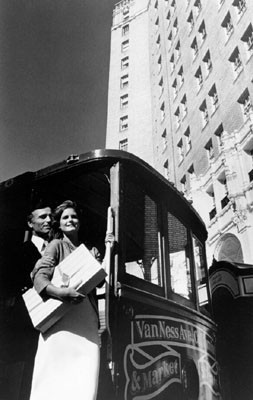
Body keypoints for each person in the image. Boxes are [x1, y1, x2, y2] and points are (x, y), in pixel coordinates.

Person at [29, 200, 112, 400]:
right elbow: (39, 278)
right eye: (65, 217)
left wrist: (108, 250)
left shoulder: (90, 251)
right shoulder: (56, 246)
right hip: (60, 321)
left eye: (73, 216)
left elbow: (101, 283)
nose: (70, 220)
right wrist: (62, 293)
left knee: (84, 378)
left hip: (87, 321)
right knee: (54, 378)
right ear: (59, 224)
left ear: (79, 222)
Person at [4, 202, 52, 400]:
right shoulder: (17, 251)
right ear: (30, 223)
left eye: (50, 216)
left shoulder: (57, 248)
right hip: (26, 326)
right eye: (42, 217)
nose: (49, 220)